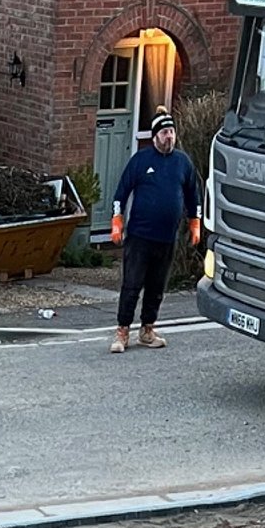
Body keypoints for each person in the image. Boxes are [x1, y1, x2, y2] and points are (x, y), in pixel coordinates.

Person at [109, 110, 201, 352]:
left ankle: (147, 330)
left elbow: (194, 194)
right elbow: (121, 192)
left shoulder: (183, 162)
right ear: (155, 136)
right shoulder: (140, 161)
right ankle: (122, 332)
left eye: (171, 132)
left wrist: (195, 222)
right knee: (132, 285)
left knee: (157, 286)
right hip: (140, 236)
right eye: (164, 133)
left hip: (167, 237)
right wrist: (117, 221)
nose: (169, 137)